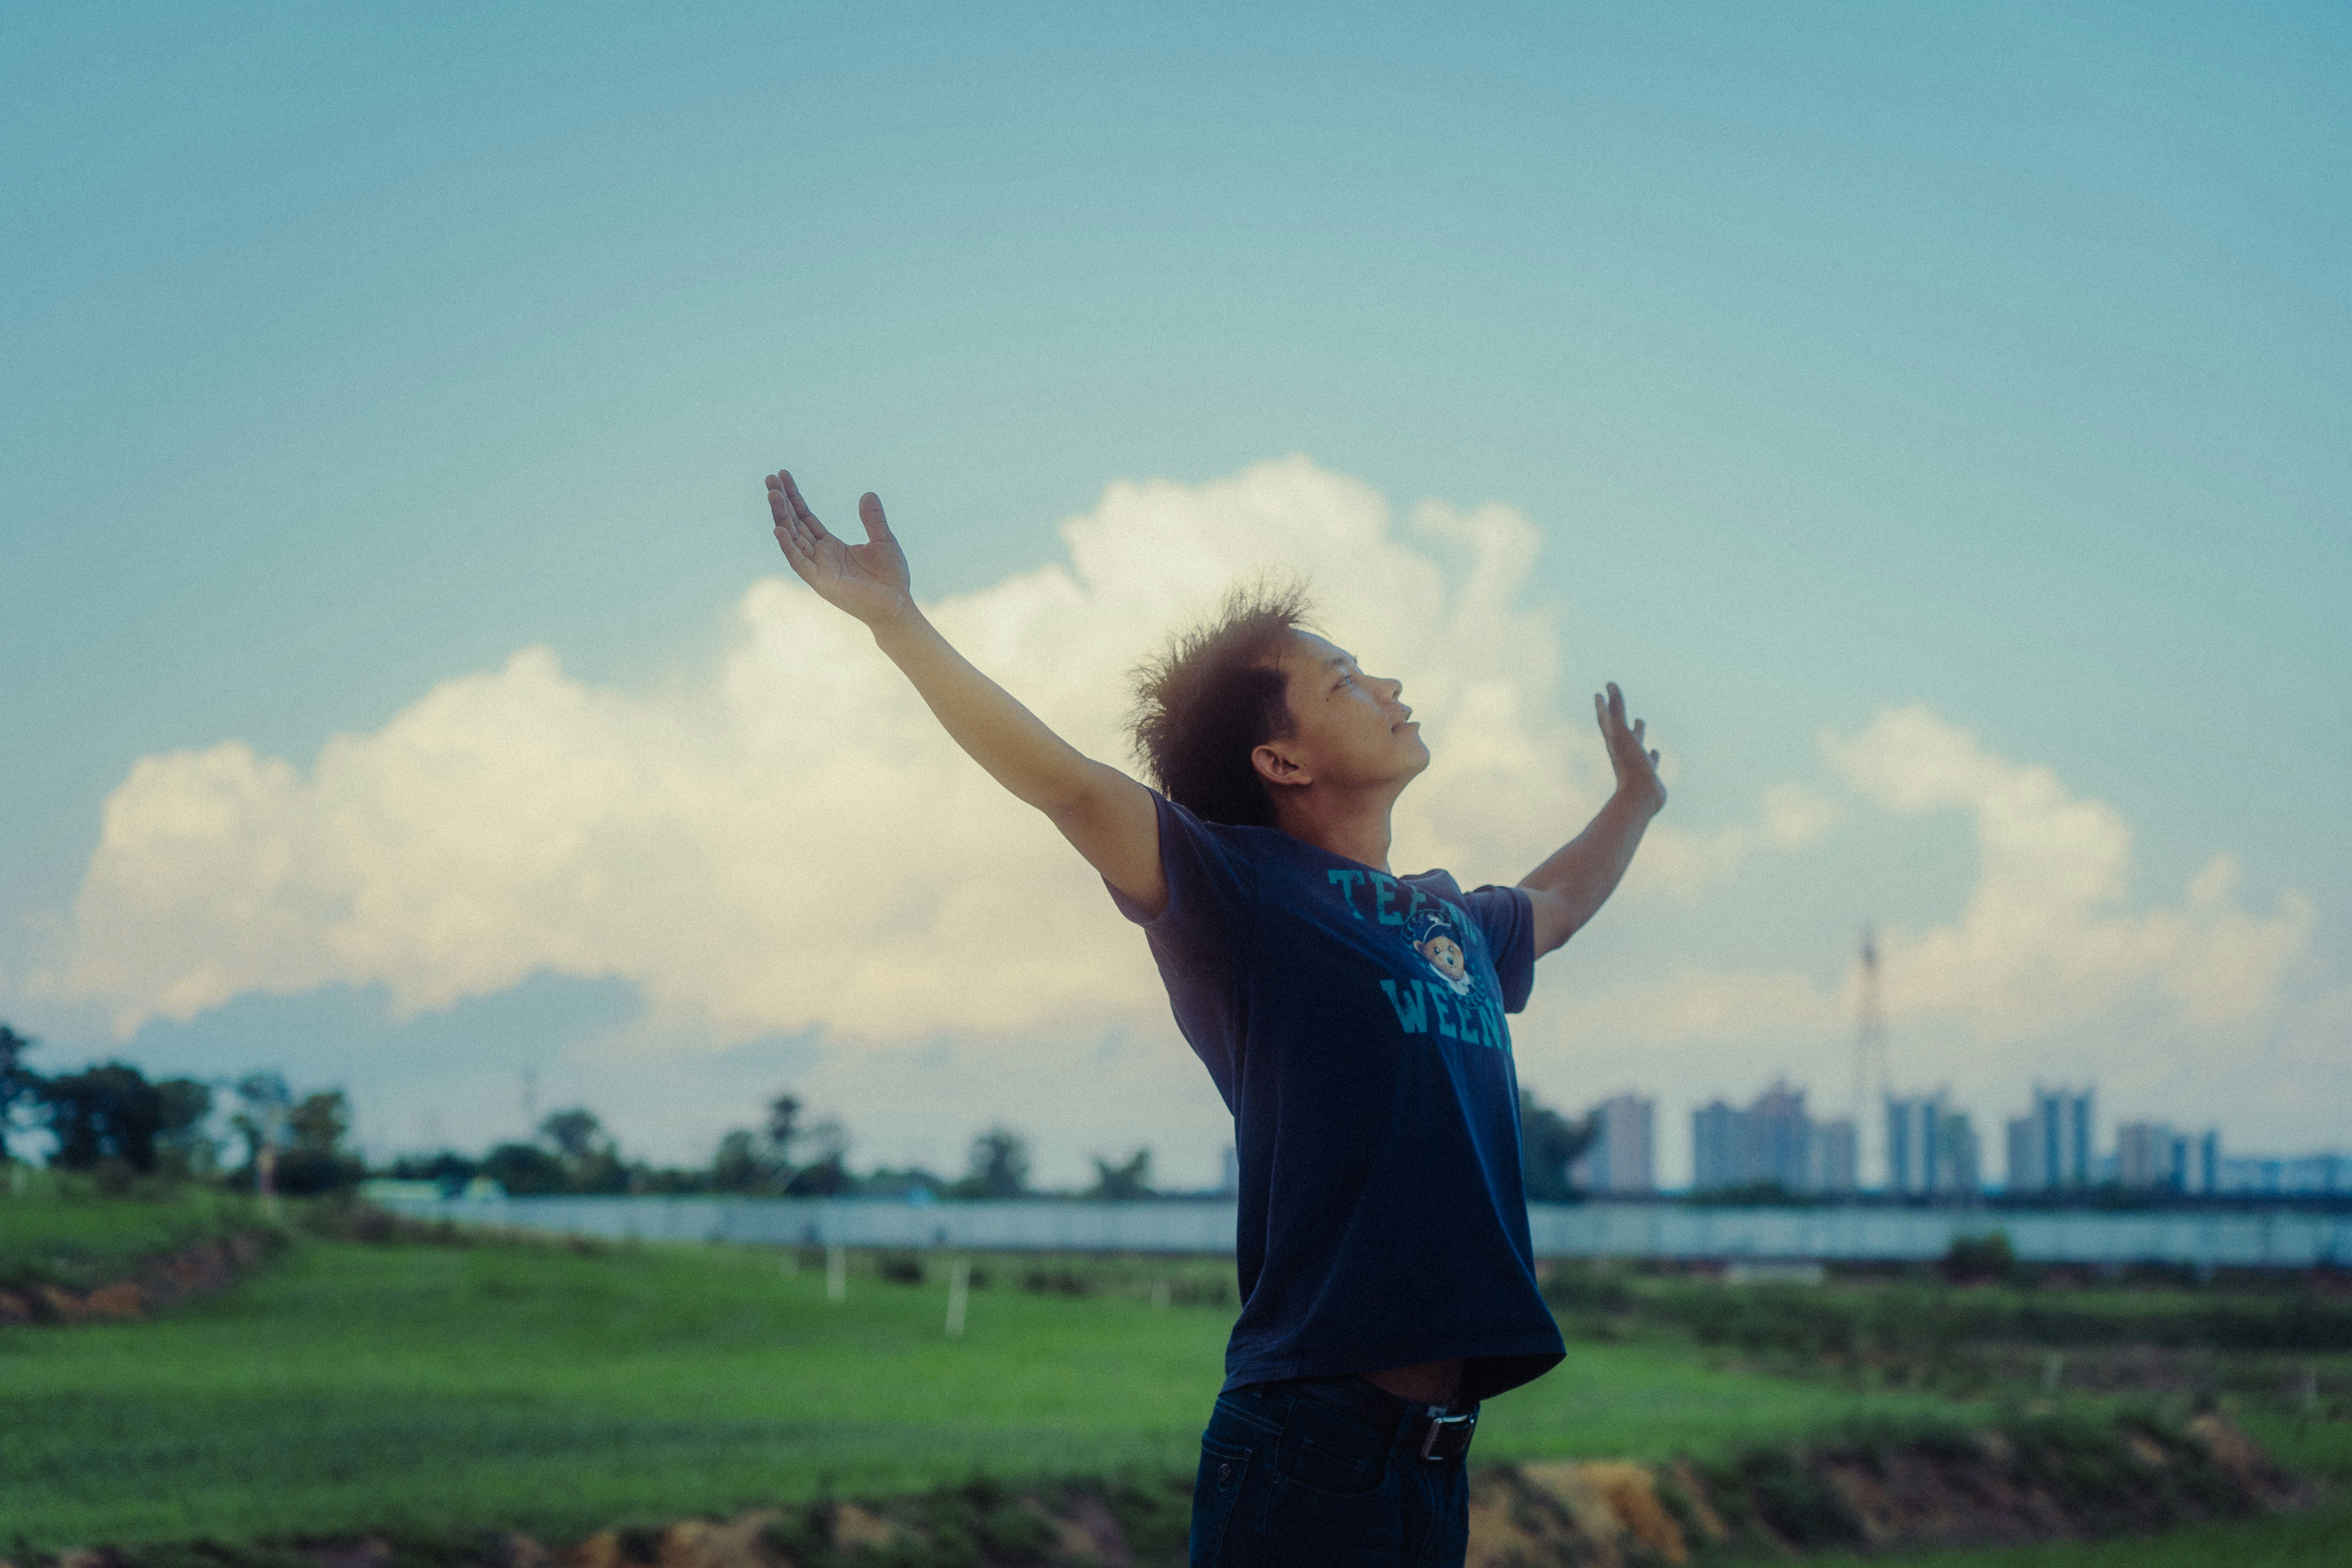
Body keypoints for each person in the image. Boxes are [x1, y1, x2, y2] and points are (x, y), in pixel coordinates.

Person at [764, 470, 1667, 1567]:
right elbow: (1072, 789)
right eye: (1343, 681)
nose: (1387, 684)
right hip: (1311, 1451)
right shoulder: (1241, 892)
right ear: (1279, 761)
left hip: (1432, 1470)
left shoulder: (1448, 922)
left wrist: (1636, 801)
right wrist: (898, 624)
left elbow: (1557, 903)